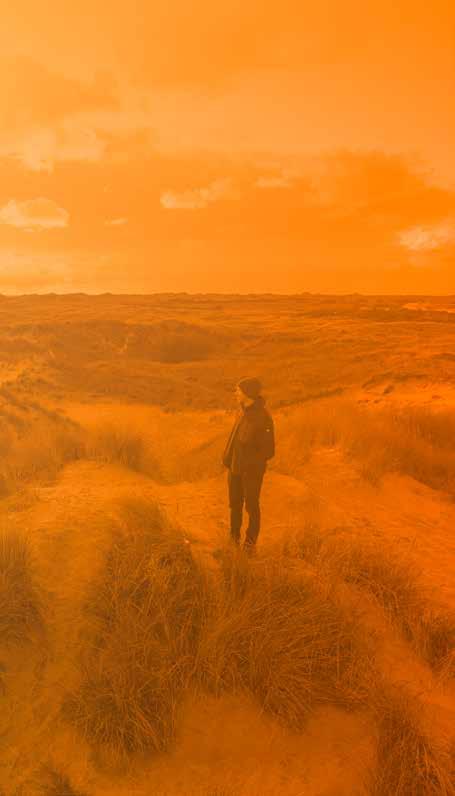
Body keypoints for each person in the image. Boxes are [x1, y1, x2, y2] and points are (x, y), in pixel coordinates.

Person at [222, 377, 275, 551]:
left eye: (238, 390)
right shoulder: (241, 412)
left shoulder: (263, 418)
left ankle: (249, 547)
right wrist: (228, 460)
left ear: (247, 392)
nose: (235, 393)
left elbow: (268, 451)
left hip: (250, 472)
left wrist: (249, 466)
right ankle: (233, 542)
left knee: (251, 507)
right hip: (235, 469)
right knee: (234, 505)